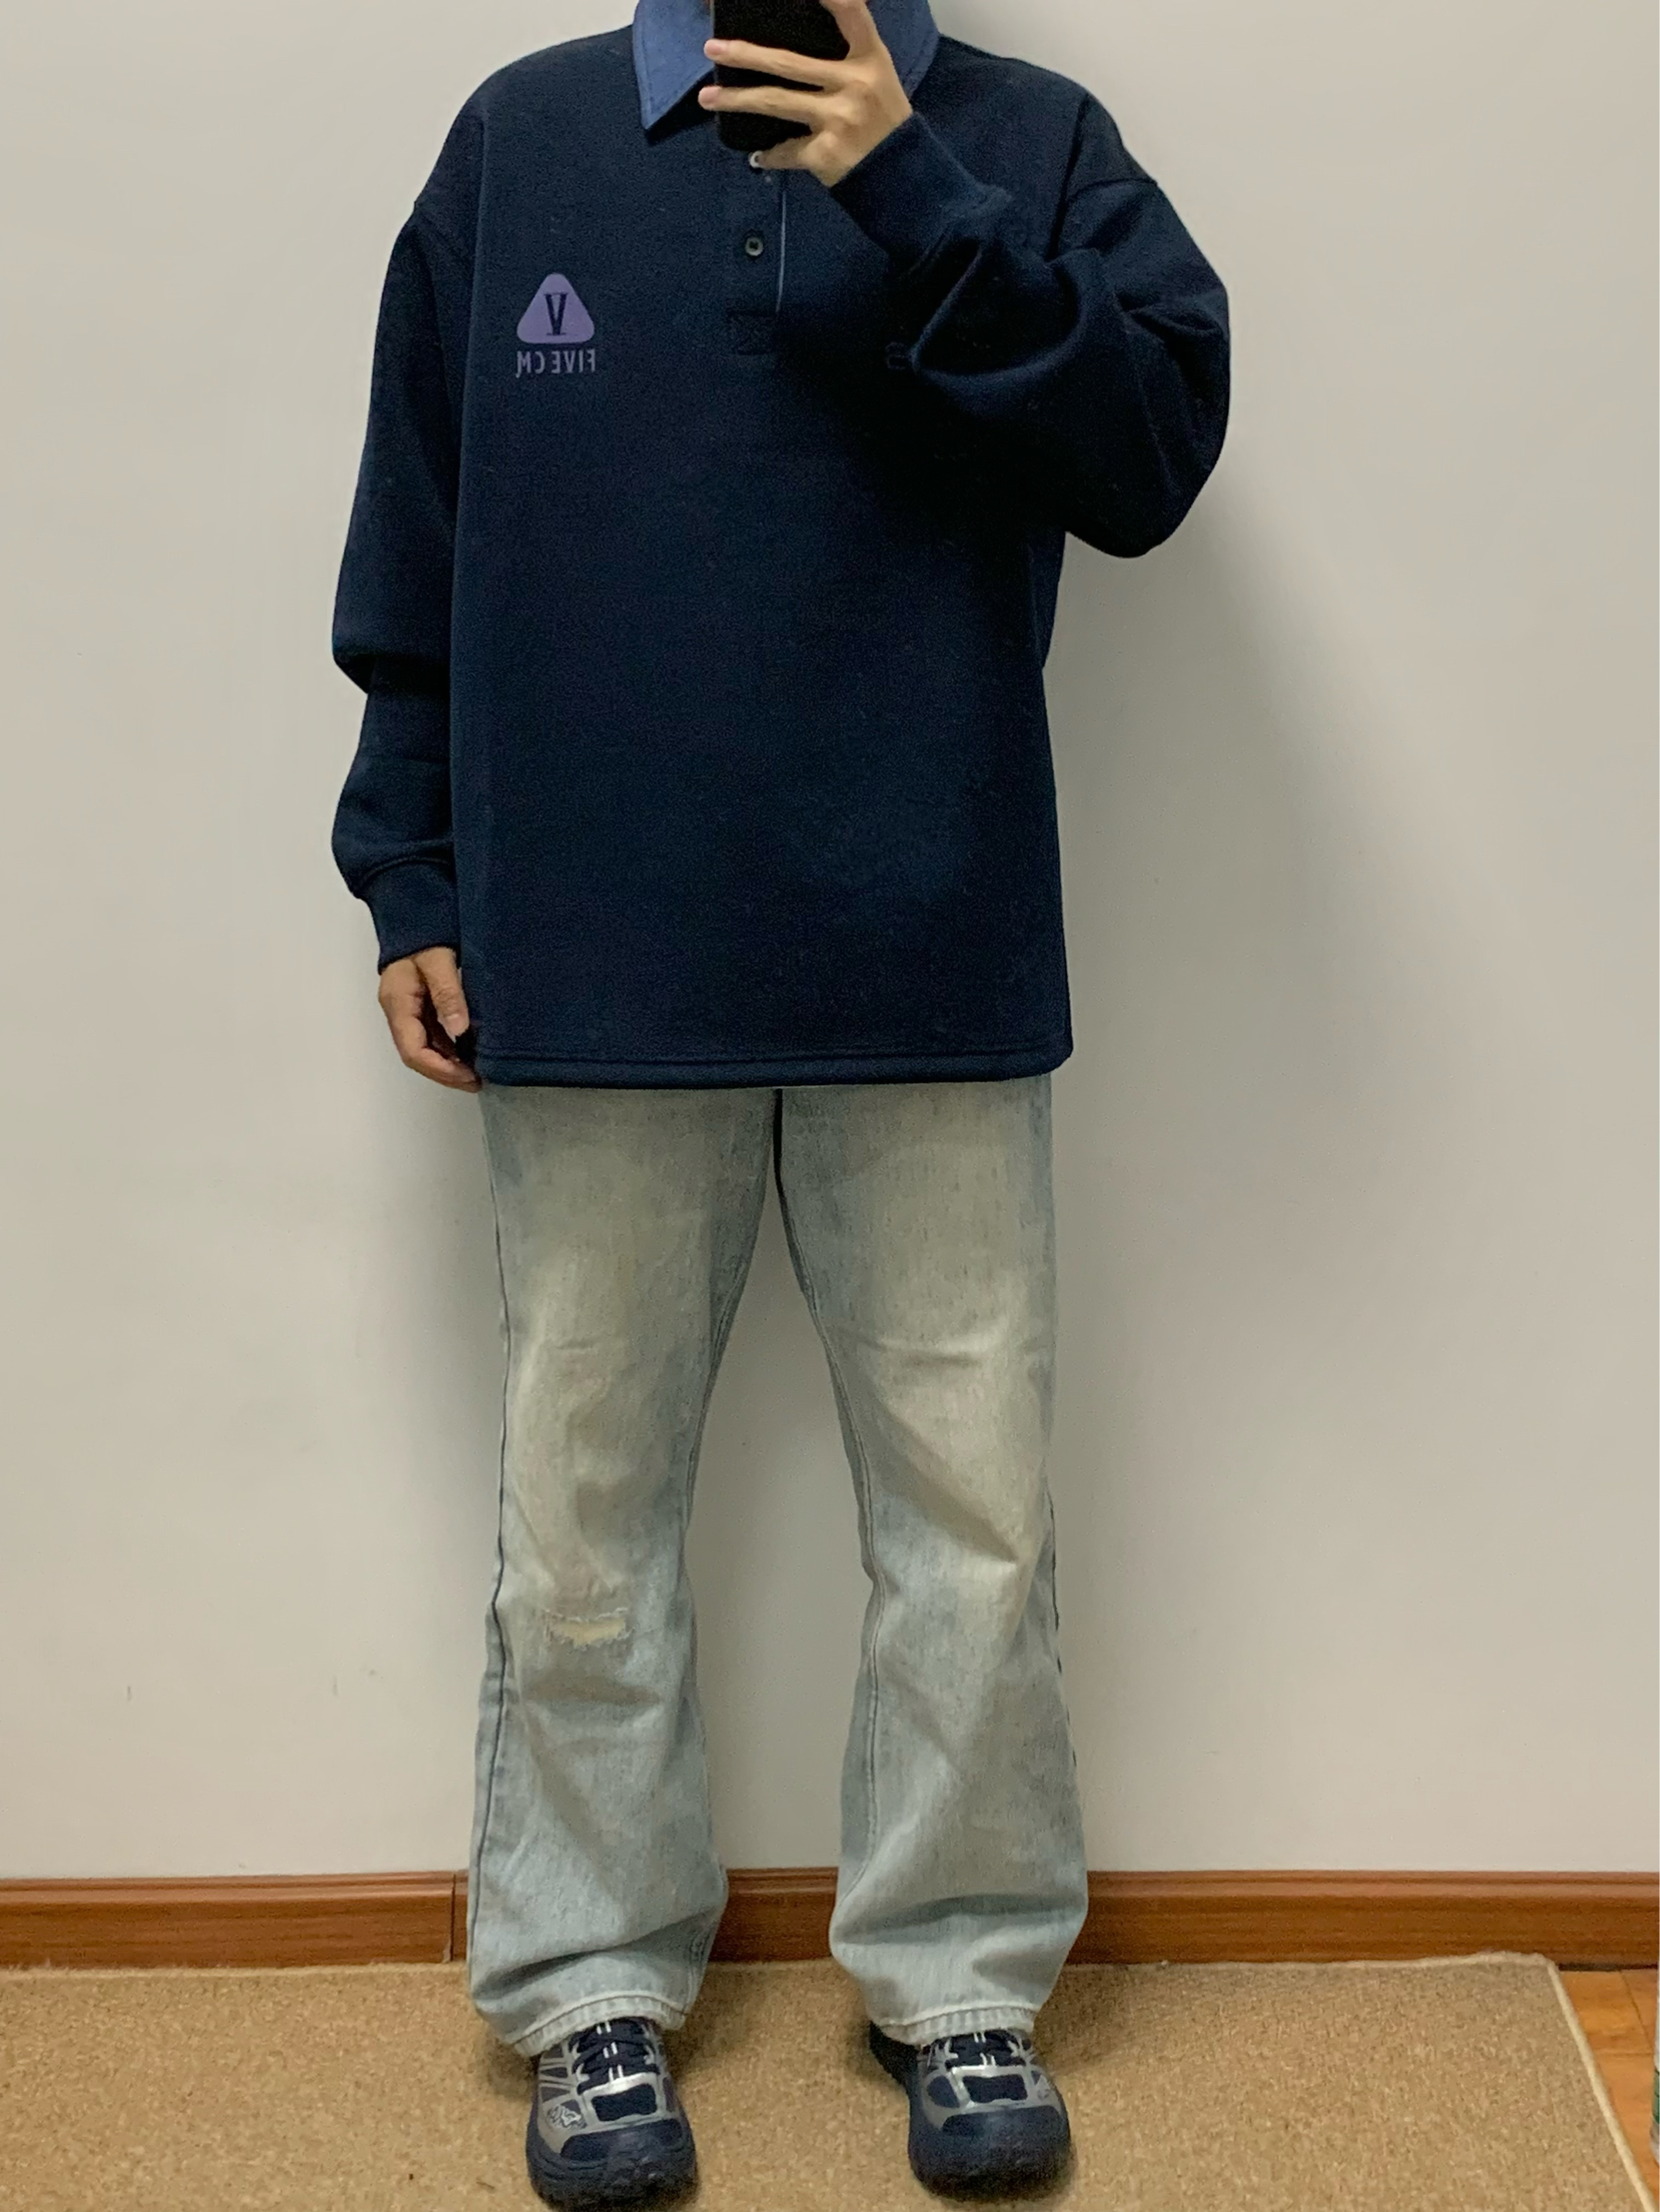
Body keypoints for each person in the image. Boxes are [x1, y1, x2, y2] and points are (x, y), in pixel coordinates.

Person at [329, 0, 1228, 2200]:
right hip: (587, 953)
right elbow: (418, 532)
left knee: (973, 1514)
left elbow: (1148, 456)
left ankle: (962, 1971)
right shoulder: (522, 142)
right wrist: (410, 867)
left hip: (929, 941)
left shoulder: (1027, 141)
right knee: (582, 1516)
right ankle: (588, 1983)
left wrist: (910, 186)